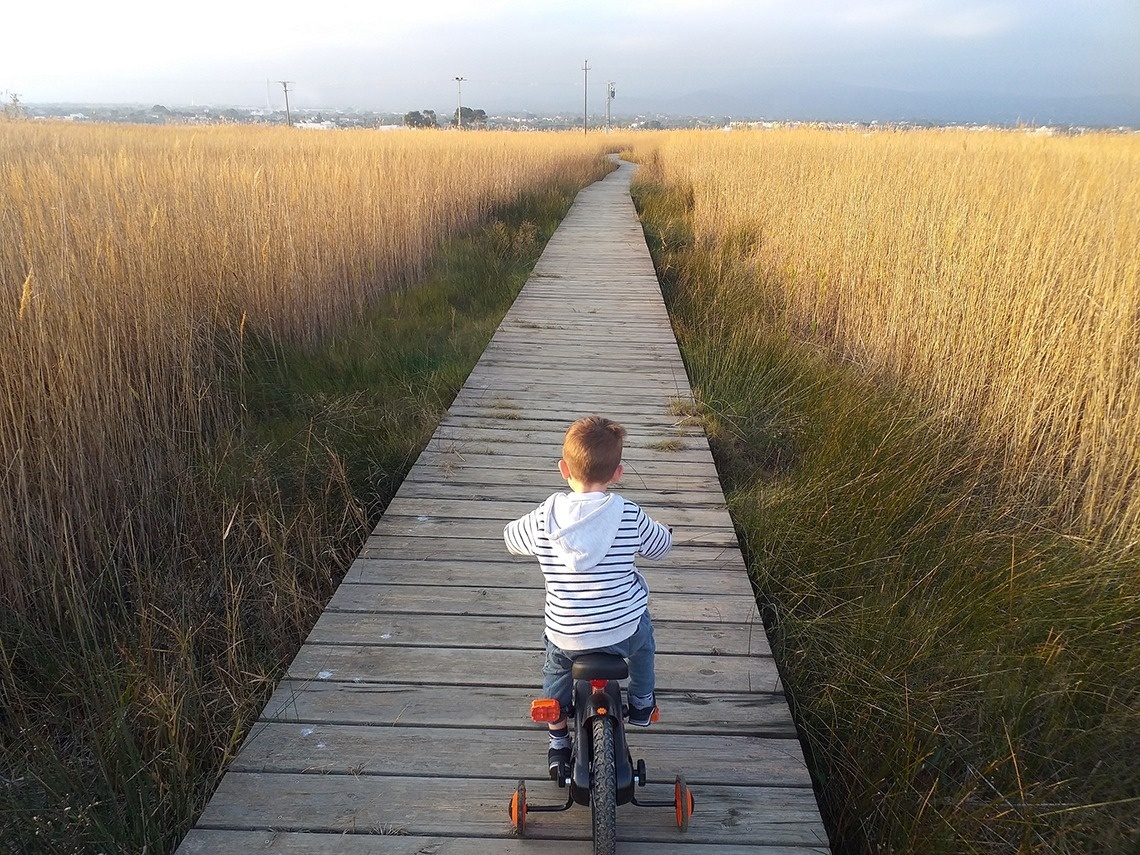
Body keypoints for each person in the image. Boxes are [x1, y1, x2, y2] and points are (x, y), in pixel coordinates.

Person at [503, 415, 673, 778]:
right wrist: (664, 531)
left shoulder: (544, 516)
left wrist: (523, 534)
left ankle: (558, 738)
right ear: (617, 473)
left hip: (568, 635)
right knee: (644, 644)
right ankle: (642, 702)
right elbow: (660, 546)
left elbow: (510, 538)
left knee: (555, 666)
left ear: (563, 469)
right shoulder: (628, 513)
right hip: (622, 633)